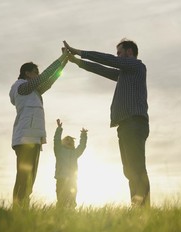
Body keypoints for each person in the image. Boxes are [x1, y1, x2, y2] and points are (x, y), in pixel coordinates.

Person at [63, 39, 150, 207]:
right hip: (125, 125)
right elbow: (101, 69)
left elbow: (108, 60)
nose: (117, 57)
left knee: (137, 169)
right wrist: (77, 61)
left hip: (134, 123)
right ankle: (137, 207)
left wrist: (79, 51)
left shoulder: (137, 66)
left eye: (119, 53)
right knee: (130, 171)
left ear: (129, 52)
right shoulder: (124, 73)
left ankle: (144, 209)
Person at [9, 48, 69, 207]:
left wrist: (64, 62)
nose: (38, 75)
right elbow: (45, 76)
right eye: (35, 72)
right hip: (25, 138)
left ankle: (23, 208)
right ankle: (18, 208)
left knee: (30, 177)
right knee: (24, 176)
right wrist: (61, 57)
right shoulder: (21, 87)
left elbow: (50, 80)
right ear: (28, 73)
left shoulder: (33, 91)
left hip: (33, 137)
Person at [54, 119, 88, 208]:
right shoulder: (59, 151)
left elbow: (82, 146)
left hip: (72, 180)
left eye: (71, 141)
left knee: (72, 201)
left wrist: (83, 135)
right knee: (61, 201)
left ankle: (71, 214)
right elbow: (56, 140)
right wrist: (59, 129)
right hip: (61, 180)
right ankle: (60, 215)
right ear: (62, 142)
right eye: (67, 140)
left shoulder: (75, 153)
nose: (69, 142)